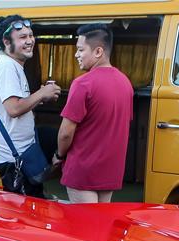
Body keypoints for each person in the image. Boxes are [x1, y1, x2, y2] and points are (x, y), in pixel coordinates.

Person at [53, 24, 132, 203]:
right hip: (110, 171)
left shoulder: (83, 84)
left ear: (98, 51)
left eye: (80, 50)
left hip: (83, 170)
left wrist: (59, 155)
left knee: (84, 227)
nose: (76, 55)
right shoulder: (125, 83)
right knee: (101, 226)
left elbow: (65, 133)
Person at [0, 15, 61, 197]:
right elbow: (14, 109)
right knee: (23, 216)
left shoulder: (14, 66)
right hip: (13, 159)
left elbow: (18, 106)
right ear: (6, 42)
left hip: (22, 153)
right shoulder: (6, 67)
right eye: (22, 38)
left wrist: (40, 97)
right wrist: (42, 93)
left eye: (30, 35)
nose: (29, 41)